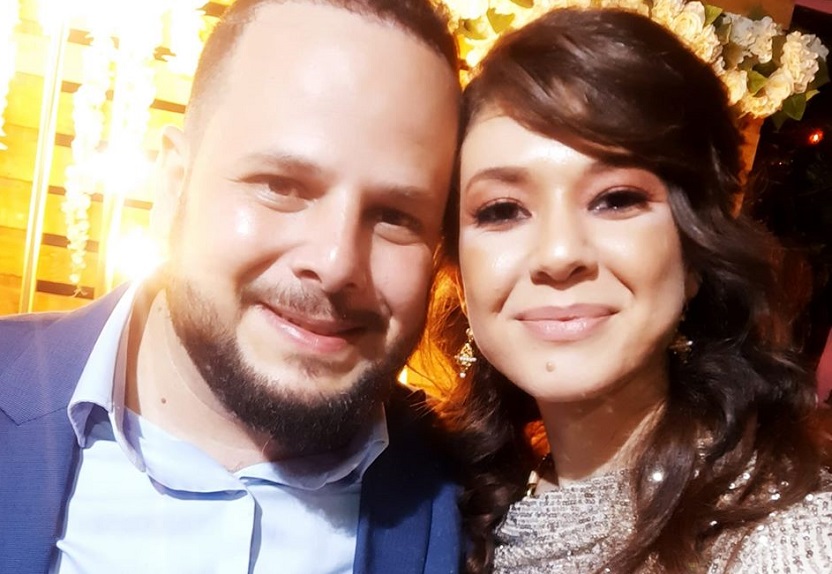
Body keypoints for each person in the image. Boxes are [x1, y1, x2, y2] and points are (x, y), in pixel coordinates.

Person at [0, 0, 463, 572]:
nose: (336, 262)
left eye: (395, 215)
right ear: (175, 184)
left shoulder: (466, 494)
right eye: (280, 185)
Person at [427, 7, 832, 573]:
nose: (558, 254)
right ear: (458, 270)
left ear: (694, 253)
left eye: (615, 199)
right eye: (502, 210)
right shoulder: (446, 511)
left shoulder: (788, 542)